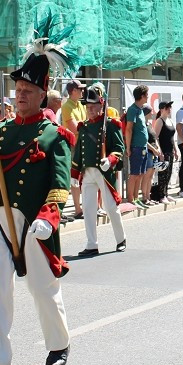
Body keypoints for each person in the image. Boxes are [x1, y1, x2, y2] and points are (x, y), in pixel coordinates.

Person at [0, 25, 75, 365]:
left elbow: (60, 183)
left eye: (28, 90)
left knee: (42, 288)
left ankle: (58, 344)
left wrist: (49, 217)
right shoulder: (5, 129)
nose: (20, 94)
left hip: (34, 220)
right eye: (18, 89)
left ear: (43, 94)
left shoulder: (54, 135)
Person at [73, 84, 127, 257]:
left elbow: (119, 148)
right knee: (88, 209)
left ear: (101, 105)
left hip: (104, 172)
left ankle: (121, 239)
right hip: (88, 172)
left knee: (111, 208)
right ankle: (91, 243)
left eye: (93, 107)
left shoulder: (111, 125)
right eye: (87, 107)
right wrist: (74, 173)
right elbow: (79, 152)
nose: (89, 110)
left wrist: (110, 160)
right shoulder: (84, 127)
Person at [60, 80, 86, 221]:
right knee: (75, 178)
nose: (82, 91)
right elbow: (75, 128)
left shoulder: (80, 105)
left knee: (84, 177)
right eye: (80, 89)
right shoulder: (66, 107)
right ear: (73, 91)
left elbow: (85, 124)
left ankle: (82, 207)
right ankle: (77, 209)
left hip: (82, 144)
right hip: (73, 146)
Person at [124, 84, 149, 205]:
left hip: (143, 147)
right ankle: (130, 199)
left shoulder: (140, 110)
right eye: (147, 95)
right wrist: (128, 147)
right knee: (134, 174)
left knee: (141, 174)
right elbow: (128, 129)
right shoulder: (132, 109)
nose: (148, 97)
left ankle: (136, 197)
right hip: (136, 147)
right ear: (142, 96)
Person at [151, 100, 176, 203]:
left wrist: (175, 149)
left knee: (169, 173)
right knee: (163, 174)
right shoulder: (160, 121)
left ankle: (166, 193)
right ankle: (161, 195)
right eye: (167, 108)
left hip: (170, 150)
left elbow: (172, 136)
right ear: (162, 109)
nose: (169, 109)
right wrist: (160, 151)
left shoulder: (169, 120)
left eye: (170, 107)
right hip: (164, 151)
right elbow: (155, 137)